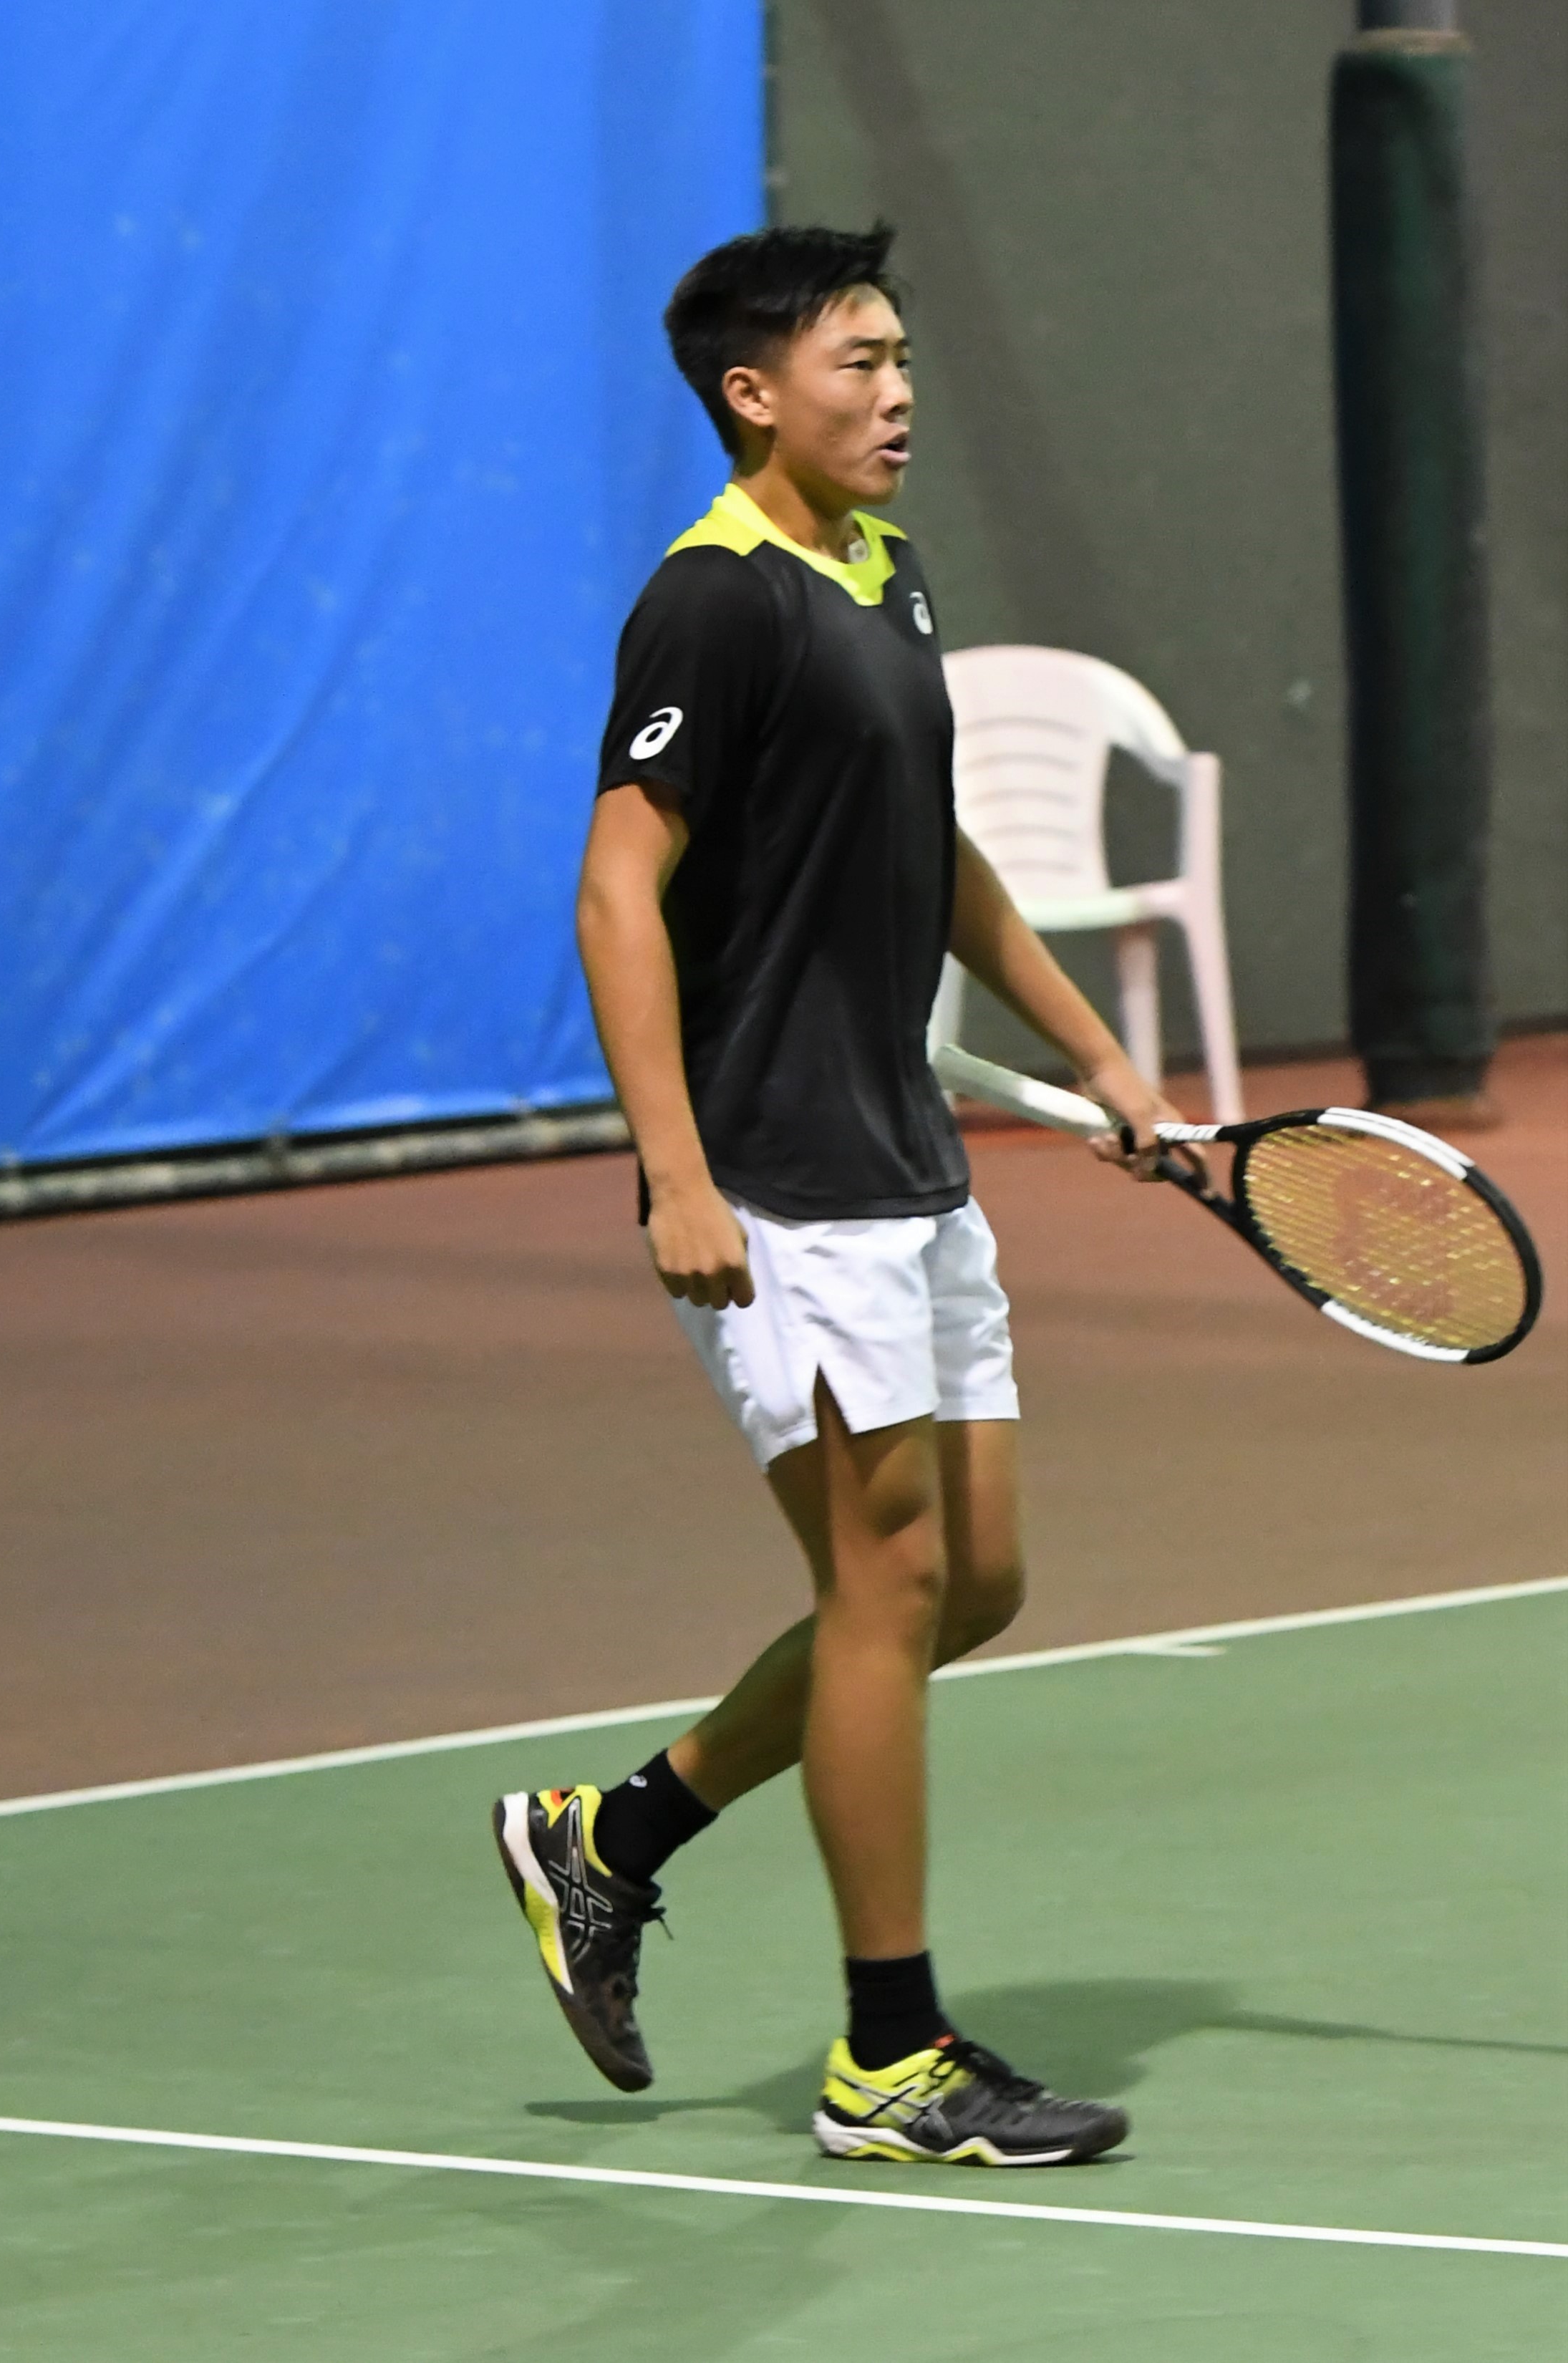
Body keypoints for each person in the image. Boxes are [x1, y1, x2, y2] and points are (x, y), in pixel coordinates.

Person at [493, 223, 1184, 2169]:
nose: (896, 394)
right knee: (879, 1587)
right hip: (777, 1175)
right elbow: (615, 889)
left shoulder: (887, 573)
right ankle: (890, 2056)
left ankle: (610, 1835)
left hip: (905, 1151)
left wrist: (1102, 1058)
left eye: (899, 358)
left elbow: (931, 847)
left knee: (975, 1581)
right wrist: (676, 1173)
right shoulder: (710, 603)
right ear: (752, 391)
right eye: (856, 363)